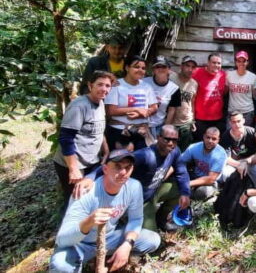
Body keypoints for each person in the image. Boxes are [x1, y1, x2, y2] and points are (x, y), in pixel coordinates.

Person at [49, 149, 160, 273]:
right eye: (117, 167)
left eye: (128, 167)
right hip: (80, 244)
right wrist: (89, 222)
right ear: (105, 169)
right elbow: (62, 240)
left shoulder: (134, 187)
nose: (123, 172)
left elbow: (136, 219)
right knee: (60, 265)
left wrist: (127, 244)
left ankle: (112, 258)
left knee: (152, 240)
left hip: (109, 239)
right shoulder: (85, 192)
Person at [80, 125, 191, 232]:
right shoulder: (146, 155)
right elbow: (112, 164)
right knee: (151, 238)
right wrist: (91, 177)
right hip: (139, 202)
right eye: (167, 139)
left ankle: (161, 219)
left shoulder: (175, 151)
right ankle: (126, 220)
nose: (171, 143)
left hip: (154, 192)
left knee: (178, 189)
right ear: (158, 138)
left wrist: (185, 193)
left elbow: (181, 172)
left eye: (174, 140)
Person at [53, 71, 115, 211]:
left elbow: (99, 129)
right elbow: (66, 138)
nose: (104, 89)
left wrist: (105, 149)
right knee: (75, 202)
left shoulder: (100, 103)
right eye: (100, 84)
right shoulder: (79, 106)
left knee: (89, 199)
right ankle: (69, 231)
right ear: (90, 85)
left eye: (107, 86)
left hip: (91, 162)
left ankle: (87, 229)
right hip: (73, 164)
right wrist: (73, 169)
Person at [105, 55, 158, 150]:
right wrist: (137, 109)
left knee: (142, 160)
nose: (140, 70)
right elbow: (111, 111)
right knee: (121, 162)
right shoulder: (116, 86)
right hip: (120, 131)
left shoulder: (147, 87)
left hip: (141, 131)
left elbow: (154, 107)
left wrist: (142, 114)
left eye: (143, 68)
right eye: (136, 67)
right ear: (127, 68)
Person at [178, 127, 227, 200]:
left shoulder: (221, 154)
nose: (210, 141)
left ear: (218, 140)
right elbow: (179, 162)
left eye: (214, 139)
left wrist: (187, 184)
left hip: (211, 183)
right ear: (204, 137)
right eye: (208, 137)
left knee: (202, 192)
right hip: (195, 175)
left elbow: (211, 179)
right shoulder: (194, 147)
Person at [143, 56, 181, 138]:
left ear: (169, 69)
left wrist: (164, 131)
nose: (160, 69)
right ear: (153, 70)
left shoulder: (174, 89)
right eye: (157, 67)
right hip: (141, 124)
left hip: (159, 125)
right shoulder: (143, 83)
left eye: (164, 66)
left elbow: (172, 111)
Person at [192, 53, 227, 140]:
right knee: (200, 142)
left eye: (219, 63)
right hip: (201, 118)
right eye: (214, 62)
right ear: (208, 63)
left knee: (215, 143)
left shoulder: (223, 75)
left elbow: (225, 91)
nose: (216, 65)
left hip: (218, 118)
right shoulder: (197, 72)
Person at [167, 55, 198, 152]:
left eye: (193, 67)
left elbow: (192, 102)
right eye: (187, 66)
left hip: (186, 123)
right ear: (181, 66)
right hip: (171, 121)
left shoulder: (194, 83)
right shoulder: (171, 78)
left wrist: (193, 120)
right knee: (169, 150)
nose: (190, 69)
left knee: (184, 151)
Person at [219, 112, 256, 183]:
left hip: (252, 162)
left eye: (239, 121)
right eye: (233, 122)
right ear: (230, 123)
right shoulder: (225, 136)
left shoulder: (252, 132)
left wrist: (246, 162)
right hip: (235, 163)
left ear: (243, 120)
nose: (237, 124)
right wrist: (240, 165)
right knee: (225, 174)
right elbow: (226, 158)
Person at [226, 51, 256, 127]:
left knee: (246, 134)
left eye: (244, 61)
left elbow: (255, 95)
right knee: (230, 133)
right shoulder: (229, 75)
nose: (241, 63)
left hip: (247, 111)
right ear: (236, 62)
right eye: (239, 61)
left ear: (247, 62)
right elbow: (225, 91)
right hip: (232, 111)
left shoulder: (253, 77)